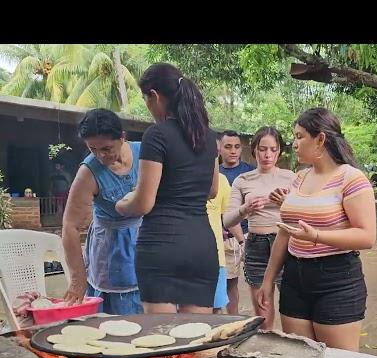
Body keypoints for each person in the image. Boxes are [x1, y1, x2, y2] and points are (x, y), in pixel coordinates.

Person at [257, 108, 376, 351]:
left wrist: (317, 236)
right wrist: (268, 281)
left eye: (300, 136)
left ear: (320, 139)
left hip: (336, 280)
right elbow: (285, 230)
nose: (294, 143)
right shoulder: (299, 178)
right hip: (294, 279)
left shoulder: (351, 178)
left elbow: (366, 235)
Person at [116, 63, 219, 314]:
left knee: (162, 341)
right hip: (201, 245)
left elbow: (144, 203)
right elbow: (212, 190)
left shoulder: (157, 135)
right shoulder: (207, 137)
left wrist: (121, 204)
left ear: (155, 95)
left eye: (146, 100)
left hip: (162, 245)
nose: (149, 107)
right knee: (195, 341)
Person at [62, 108, 143, 314]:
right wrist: (77, 280)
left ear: (122, 137)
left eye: (107, 148)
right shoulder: (88, 173)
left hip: (147, 239)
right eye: (92, 149)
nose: (100, 156)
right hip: (112, 249)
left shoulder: (145, 154)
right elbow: (70, 227)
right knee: (119, 317)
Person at [223, 127, 295, 328]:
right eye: (263, 149)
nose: (267, 155)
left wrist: (285, 204)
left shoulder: (291, 178)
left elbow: (305, 215)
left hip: (286, 244)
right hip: (256, 245)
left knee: (291, 309)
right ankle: (266, 354)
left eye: (273, 149)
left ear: (279, 151)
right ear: (254, 150)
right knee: (263, 314)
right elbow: (228, 219)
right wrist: (245, 208)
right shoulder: (243, 180)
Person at [218, 130, 255, 314]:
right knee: (225, 283)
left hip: (247, 235)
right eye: (228, 147)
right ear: (219, 148)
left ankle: (241, 322)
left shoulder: (250, 172)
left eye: (237, 147)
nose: (233, 151)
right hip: (222, 237)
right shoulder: (214, 174)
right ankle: (226, 323)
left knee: (252, 281)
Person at [206, 172, 243, 313]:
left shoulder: (220, 179)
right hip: (181, 258)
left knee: (215, 310)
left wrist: (242, 241)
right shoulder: (176, 173)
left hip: (216, 259)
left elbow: (229, 217)